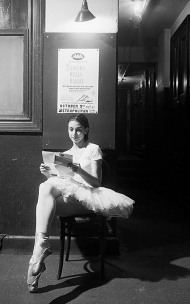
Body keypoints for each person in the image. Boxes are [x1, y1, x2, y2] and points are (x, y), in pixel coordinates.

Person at [27, 114, 134, 292]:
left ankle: (37, 256)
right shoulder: (66, 154)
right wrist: (48, 173)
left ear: (86, 130)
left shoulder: (93, 149)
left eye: (78, 129)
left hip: (88, 196)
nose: (74, 133)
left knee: (44, 199)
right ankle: (39, 250)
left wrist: (78, 170)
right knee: (45, 188)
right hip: (69, 194)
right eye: (71, 129)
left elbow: (96, 182)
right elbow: (61, 181)